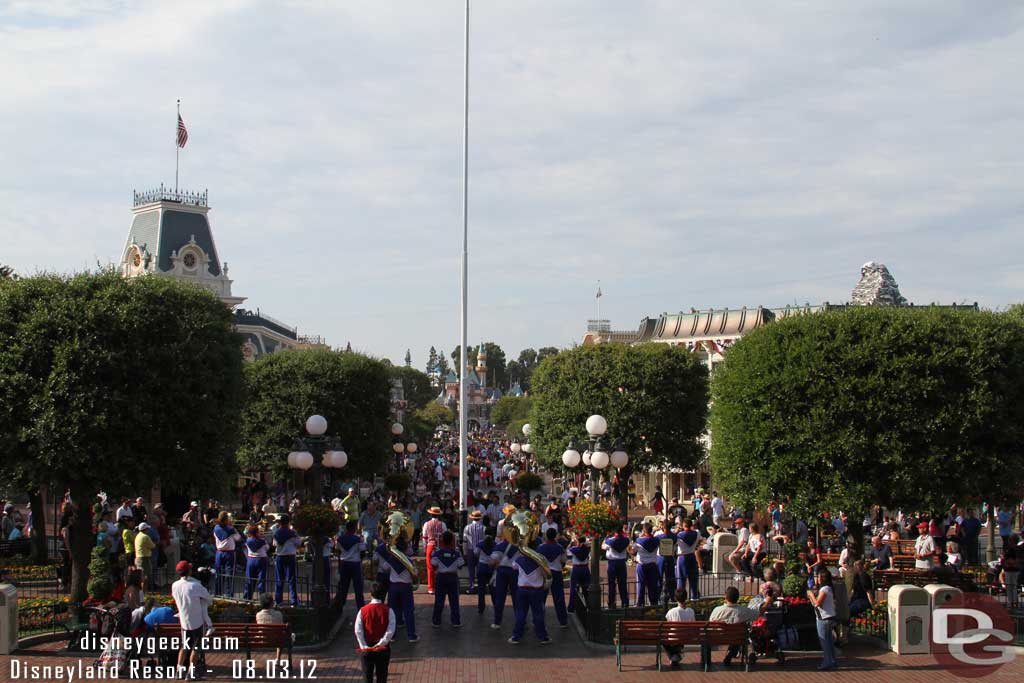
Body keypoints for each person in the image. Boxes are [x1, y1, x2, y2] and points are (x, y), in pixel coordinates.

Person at [708, 585, 768, 665]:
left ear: (726, 597)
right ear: (737, 598)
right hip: (737, 638)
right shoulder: (744, 611)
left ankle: (706, 662)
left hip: (719, 637)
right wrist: (768, 601)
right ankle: (731, 653)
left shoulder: (717, 610)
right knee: (737, 635)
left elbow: (710, 622)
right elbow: (758, 614)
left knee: (732, 635)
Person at [171, 561, 212, 678]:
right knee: (196, 647)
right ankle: (191, 672)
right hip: (197, 621)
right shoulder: (195, 586)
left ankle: (179, 671)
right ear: (189, 571)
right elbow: (209, 599)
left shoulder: (174, 585)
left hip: (184, 620)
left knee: (184, 646)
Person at [509, 536, 550, 645]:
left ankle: (516, 636)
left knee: (521, 613)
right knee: (538, 613)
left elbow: (513, 567)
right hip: (536, 590)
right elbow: (546, 572)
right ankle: (543, 637)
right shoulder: (541, 559)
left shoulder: (519, 559)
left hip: (522, 589)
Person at [377, 534, 417, 642]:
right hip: (406, 587)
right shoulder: (409, 561)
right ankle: (411, 635)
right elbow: (415, 573)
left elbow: (384, 568)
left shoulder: (391, 560)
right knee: (408, 611)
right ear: (405, 549)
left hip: (393, 587)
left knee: (392, 611)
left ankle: (392, 635)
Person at [355, 584, 396, 683]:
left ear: (371, 594)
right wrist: (381, 644)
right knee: (382, 676)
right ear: (383, 595)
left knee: (367, 676)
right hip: (382, 649)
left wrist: (363, 645)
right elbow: (390, 631)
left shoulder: (362, 611)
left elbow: (358, 630)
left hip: (367, 648)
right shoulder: (389, 611)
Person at [431, 531, 464, 628]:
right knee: (454, 601)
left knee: (439, 600)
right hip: (453, 578)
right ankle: (456, 621)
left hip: (441, 578)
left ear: (442, 541)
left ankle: (436, 621)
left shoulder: (437, 553)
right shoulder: (457, 553)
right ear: (452, 541)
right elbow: (461, 565)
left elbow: (433, 565)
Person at [537, 528, 569, 628]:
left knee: (541, 598)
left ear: (546, 535)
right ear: (555, 536)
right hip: (556, 573)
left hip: (545, 573)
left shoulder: (540, 547)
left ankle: (538, 619)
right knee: (559, 597)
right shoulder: (559, 547)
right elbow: (564, 559)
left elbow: (538, 560)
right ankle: (563, 621)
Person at [808, 569, 838, 670]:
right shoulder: (829, 588)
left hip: (823, 618)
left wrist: (811, 595)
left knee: (824, 641)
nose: (817, 579)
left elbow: (817, 603)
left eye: (819, 577)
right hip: (829, 617)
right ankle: (832, 661)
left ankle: (827, 662)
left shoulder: (824, 589)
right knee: (829, 641)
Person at [490, 528, 520, 628]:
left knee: (499, 597)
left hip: (502, 571)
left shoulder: (499, 545)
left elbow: (493, 561)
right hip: (515, 572)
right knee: (516, 598)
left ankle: (497, 622)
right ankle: (520, 620)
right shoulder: (520, 546)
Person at [662, 589, 696, 668]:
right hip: (687, 637)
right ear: (686, 597)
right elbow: (694, 624)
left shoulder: (671, 612)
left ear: (676, 598)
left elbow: (668, 625)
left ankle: (674, 656)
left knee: (663, 639)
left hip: (675, 637)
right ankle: (676, 654)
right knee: (679, 636)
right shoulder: (691, 611)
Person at [337, 520, 367, 611]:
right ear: (353, 529)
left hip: (344, 563)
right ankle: (360, 608)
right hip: (355, 564)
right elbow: (363, 551)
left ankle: (339, 607)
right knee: (358, 587)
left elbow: (338, 551)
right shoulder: (358, 539)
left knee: (343, 587)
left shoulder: (340, 539)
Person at [273, 515, 300, 606]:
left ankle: (278, 600)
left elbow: (274, 544)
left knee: (279, 579)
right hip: (290, 557)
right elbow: (298, 543)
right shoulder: (292, 533)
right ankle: (293, 601)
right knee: (292, 579)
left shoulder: (277, 533)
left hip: (280, 557)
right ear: (288, 522)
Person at [212, 512, 242, 595]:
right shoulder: (231, 529)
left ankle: (218, 593)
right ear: (226, 520)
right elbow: (238, 538)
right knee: (229, 575)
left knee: (219, 574)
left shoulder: (215, 528)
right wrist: (233, 527)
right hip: (229, 553)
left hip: (219, 553)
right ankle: (229, 595)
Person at [632, 523, 661, 607]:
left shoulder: (639, 540)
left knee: (641, 585)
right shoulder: (656, 540)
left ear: (644, 531)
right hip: (652, 564)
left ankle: (640, 603)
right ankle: (653, 603)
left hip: (642, 565)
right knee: (652, 586)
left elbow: (633, 551)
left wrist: (639, 537)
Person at [602, 528, 630, 608]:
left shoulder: (610, 540)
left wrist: (606, 538)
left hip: (612, 563)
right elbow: (628, 542)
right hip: (621, 563)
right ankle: (625, 602)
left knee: (611, 584)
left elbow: (603, 547)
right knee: (622, 584)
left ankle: (611, 603)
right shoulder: (625, 540)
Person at [422, 506, 446, 594]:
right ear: (439, 515)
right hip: (439, 547)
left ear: (431, 514)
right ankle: (440, 586)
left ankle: (431, 588)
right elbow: (445, 537)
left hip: (430, 546)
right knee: (440, 567)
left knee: (430, 568)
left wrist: (425, 548)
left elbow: (424, 537)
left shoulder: (426, 524)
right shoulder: (442, 524)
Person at [676, 519, 702, 600]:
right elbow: (696, 533)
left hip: (682, 557)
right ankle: (694, 597)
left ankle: (681, 598)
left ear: (683, 526)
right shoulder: (697, 533)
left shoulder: (679, 535)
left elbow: (676, 539)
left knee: (681, 578)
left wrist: (678, 530)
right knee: (693, 578)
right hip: (691, 555)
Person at [243, 526, 269, 601]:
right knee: (261, 580)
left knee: (249, 579)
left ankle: (247, 598)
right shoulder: (262, 541)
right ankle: (262, 599)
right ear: (257, 532)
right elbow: (267, 548)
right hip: (261, 560)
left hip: (251, 560)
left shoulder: (248, 540)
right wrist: (262, 538)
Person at [463, 510, 486, 593]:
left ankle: (471, 586)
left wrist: (465, 552)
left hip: (470, 550)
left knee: (471, 570)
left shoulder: (467, 527)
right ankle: (480, 587)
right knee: (480, 570)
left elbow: (465, 541)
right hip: (480, 551)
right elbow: (484, 540)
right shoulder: (483, 528)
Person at [475, 534, 496, 615]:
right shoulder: (495, 544)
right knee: (493, 590)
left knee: (481, 590)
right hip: (491, 568)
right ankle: (496, 606)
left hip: (482, 568)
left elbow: (475, 553)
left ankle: (481, 608)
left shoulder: (480, 544)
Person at [134, 522, 156, 591]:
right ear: (145, 529)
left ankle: (141, 594)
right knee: (145, 577)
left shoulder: (137, 536)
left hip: (138, 557)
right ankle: (144, 594)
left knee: (141, 576)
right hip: (144, 558)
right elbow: (153, 546)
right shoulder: (145, 536)